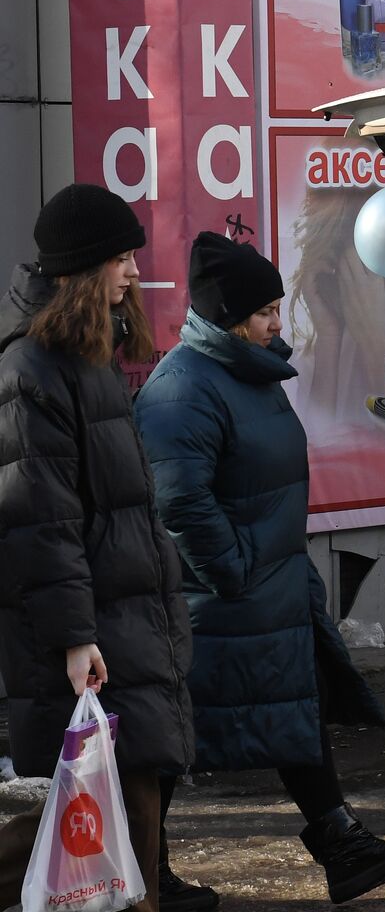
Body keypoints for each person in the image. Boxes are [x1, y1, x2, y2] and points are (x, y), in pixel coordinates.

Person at [133, 232, 385, 909]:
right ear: (229, 313)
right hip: (221, 603)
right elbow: (177, 495)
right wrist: (235, 572)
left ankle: (340, 844)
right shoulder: (181, 387)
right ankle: (145, 875)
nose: (277, 322)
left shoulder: (247, 371)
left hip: (266, 594)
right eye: (265, 310)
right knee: (174, 739)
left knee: (290, 712)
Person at [0, 183, 196, 912]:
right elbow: (40, 523)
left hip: (126, 622)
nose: (133, 273)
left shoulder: (88, 356)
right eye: (118, 258)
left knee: (121, 810)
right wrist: (75, 637)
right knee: (102, 815)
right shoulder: (33, 370)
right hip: (91, 632)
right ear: (79, 271)